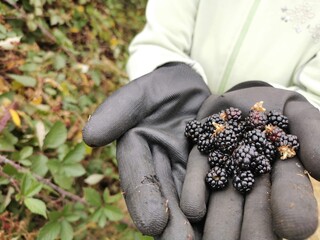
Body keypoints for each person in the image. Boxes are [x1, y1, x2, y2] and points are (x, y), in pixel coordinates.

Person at [83, 1, 320, 239]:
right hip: (188, 100)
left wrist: (301, 102)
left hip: (271, 110)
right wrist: (167, 68)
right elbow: (160, 37)